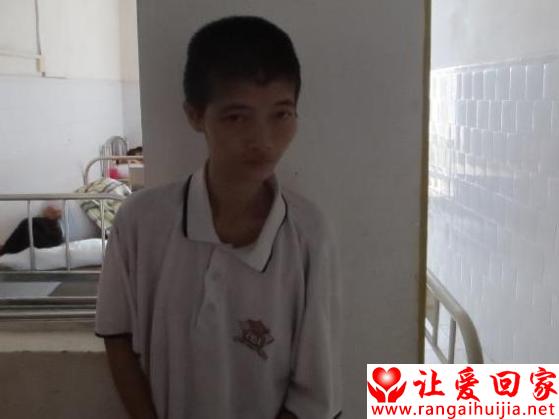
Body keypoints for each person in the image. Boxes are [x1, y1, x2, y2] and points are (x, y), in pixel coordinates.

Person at [94, 16, 342, 419]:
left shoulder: (309, 236)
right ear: (195, 115)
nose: (263, 140)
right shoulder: (140, 222)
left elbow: (314, 396)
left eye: (281, 114)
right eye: (237, 117)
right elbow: (118, 336)